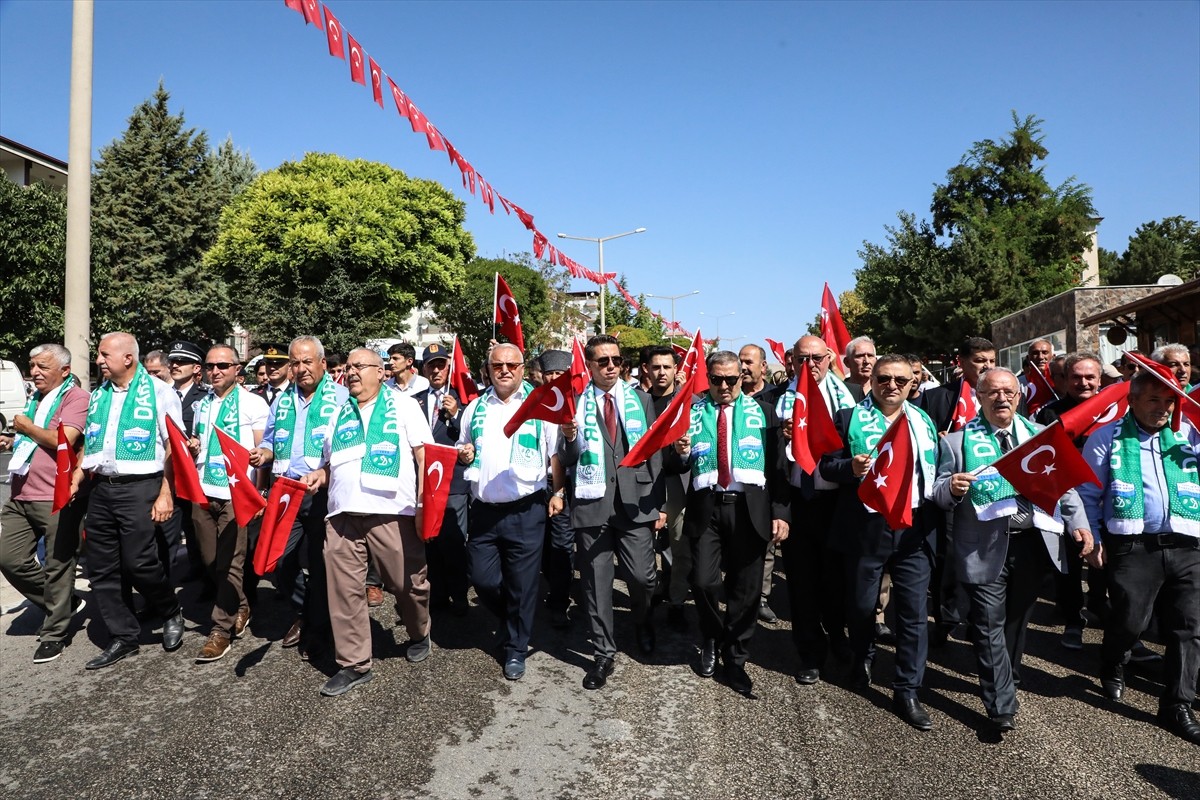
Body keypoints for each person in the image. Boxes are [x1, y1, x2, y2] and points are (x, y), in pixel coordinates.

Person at [933, 367, 1093, 732]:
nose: (1001, 398)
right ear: (979, 397)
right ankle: (1000, 703)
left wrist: (1079, 524)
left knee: (1016, 622)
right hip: (984, 547)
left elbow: (1064, 487)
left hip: (1034, 543)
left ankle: (1008, 675)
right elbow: (939, 491)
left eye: (1008, 392)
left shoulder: (1040, 436)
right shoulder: (957, 443)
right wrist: (953, 487)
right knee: (988, 622)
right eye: (992, 392)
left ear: (1018, 396)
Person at [300, 348, 433, 696]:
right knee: (343, 591)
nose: (353, 373)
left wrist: (424, 504)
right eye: (349, 368)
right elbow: (332, 461)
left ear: (381, 372)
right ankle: (354, 664)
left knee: (408, 584)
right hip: (342, 514)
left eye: (360, 367)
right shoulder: (337, 414)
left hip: (393, 511)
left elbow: (424, 455)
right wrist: (320, 473)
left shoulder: (403, 406)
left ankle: (419, 630)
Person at [1079, 371, 1200, 745]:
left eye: (1169, 403)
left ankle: (1177, 704)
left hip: (1187, 545)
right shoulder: (1105, 439)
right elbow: (1086, 494)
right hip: (1134, 547)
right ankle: (1114, 660)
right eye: (1153, 401)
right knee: (1131, 620)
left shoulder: (1188, 437)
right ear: (1131, 401)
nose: (1163, 410)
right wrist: (1093, 537)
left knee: (1190, 626)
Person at [821, 354, 940, 730]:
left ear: (912, 384)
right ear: (871, 381)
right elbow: (824, 464)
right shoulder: (848, 417)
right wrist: (849, 469)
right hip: (865, 528)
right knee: (859, 605)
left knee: (913, 613)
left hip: (913, 526)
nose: (892, 386)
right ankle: (863, 654)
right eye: (884, 379)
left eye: (901, 380)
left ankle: (907, 688)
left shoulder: (923, 422)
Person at [669, 350, 790, 698]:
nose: (724, 386)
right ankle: (710, 636)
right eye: (717, 379)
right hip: (706, 507)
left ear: (742, 378)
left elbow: (779, 470)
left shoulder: (765, 413)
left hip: (750, 510)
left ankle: (735, 658)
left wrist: (781, 513)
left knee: (746, 590)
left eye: (731, 380)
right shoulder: (690, 412)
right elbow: (673, 464)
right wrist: (679, 452)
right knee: (704, 582)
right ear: (708, 378)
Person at [72, 332, 186, 669]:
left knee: (140, 562)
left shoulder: (160, 393)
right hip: (102, 488)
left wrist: (166, 493)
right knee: (102, 567)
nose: (98, 360)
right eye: (99, 355)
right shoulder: (100, 395)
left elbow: (173, 447)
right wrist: (77, 477)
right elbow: (91, 443)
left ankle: (169, 610)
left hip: (141, 487)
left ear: (127, 359)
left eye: (104, 354)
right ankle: (124, 636)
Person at [559, 335, 665, 690]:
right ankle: (604, 652)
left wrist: (659, 504)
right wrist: (570, 437)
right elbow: (568, 458)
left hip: (635, 503)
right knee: (595, 584)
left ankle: (643, 620)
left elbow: (655, 452)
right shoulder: (574, 403)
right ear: (589, 365)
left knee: (642, 577)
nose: (610, 366)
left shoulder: (641, 399)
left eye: (616, 360)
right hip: (592, 502)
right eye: (602, 361)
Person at [457, 343, 564, 681]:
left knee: (522, 583)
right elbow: (463, 448)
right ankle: (512, 617)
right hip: (484, 510)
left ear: (522, 368)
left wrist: (558, 492)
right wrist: (464, 455)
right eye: (497, 365)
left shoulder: (540, 405)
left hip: (526, 509)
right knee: (482, 579)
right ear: (487, 370)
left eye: (511, 365)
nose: (504, 370)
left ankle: (516, 648)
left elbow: (555, 456)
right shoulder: (473, 408)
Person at [250, 335, 349, 659]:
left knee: (321, 566)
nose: (301, 368)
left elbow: (349, 449)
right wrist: (262, 455)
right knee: (276, 562)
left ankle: (317, 629)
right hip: (285, 490)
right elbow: (269, 441)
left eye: (308, 361)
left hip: (322, 492)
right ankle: (305, 610)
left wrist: (327, 473)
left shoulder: (341, 398)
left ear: (322, 363)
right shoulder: (282, 400)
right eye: (296, 362)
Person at [0, 344, 89, 663]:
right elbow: (34, 441)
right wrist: (12, 439)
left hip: (55, 495)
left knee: (58, 566)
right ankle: (63, 603)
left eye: (42, 366)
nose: (34, 372)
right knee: (8, 558)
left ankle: (54, 633)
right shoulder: (35, 398)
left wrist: (25, 427)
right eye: (32, 365)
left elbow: (62, 439)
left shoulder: (76, 398)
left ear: (64, 371)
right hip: (21, 492)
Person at [775, 335, 857, 683]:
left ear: (829, 359)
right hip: (798, 502)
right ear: (791, 361)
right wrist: (780, 437)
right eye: (802, 358)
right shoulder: (775, 402)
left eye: (817, 358)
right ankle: (809, 652)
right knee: (802, 582)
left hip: (837, 503)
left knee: (837, 580)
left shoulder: (852, 404)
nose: (810, 365)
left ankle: (838, 637)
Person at [187, 345, 270, 662]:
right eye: (209, 366)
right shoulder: (201, 405)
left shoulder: (253, 403)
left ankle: (220, 630)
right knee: (211, 561)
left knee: (230, 562)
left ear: (238, 369)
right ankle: (242, 604)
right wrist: (194, 446)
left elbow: (263, 453)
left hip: (237, 493)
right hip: (204, 490)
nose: (215, 371)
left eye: (222, 365)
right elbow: (199, 444)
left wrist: (260, 493)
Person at [1035, 353, 1106, 651]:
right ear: (1064, 379)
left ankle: (1101, 609)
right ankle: (1073, 618)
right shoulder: (1048, 415)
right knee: (1070, 564)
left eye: (1090, 377)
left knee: (1106, 562)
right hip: (1068, 500)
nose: (1084, 382)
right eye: (1076, 377)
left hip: (1110, 499)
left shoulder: (1117, 411)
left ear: (1100, 380)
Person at [411, 343, 471, 616]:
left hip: (454, 482)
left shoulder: (465, 399)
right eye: (430, 365)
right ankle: (436, 594)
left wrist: (456, 414)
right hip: (423, 481)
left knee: (453, 541)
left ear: (449, 367)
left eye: (441, 365)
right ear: (423, 369)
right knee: (428, 539)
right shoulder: (415, 400)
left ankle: (459, 594)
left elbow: (470, 438)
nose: (436, 370)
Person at [641, 345, 691, 626]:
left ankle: (677, 600)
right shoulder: (638, 403)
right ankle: (649, 595)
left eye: (667, 367)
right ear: (647, 370)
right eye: (656, 367)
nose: (661, 372)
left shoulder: (689, 403)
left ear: (676, 370)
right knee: (645, 547)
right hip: (646, 485)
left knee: (678, 548)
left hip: (678, 486)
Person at [536, 348, 576, 627]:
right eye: (549, 373)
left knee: (562, 544)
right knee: (541, 545)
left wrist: (559, 492)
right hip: (537, 483)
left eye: (559, 373)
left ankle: (560, 602)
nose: (553, 377)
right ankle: (549, 586)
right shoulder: (533, 402)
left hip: (567, 484)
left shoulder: (579, 402)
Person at [843, 336, 877, 402]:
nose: (866, 361)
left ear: (876, 361)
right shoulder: (838, 391)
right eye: (859, 356)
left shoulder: (883, 391)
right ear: (847, 362)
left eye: (870, 356)